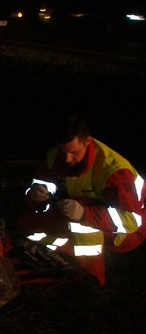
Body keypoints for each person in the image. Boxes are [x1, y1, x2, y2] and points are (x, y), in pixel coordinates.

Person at [15, 113, 145, 287]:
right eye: (63, 152)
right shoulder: (56, 155)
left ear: (87, 142)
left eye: (74, 152)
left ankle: (92, 282)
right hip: (79, 212)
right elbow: (42, 183)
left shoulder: (115, 172)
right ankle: (70, 258)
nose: (68, 159)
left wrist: (84, 214)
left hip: (127, 234)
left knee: (81, 222)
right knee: (25, 225)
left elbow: (132, 221)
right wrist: (36, 195)